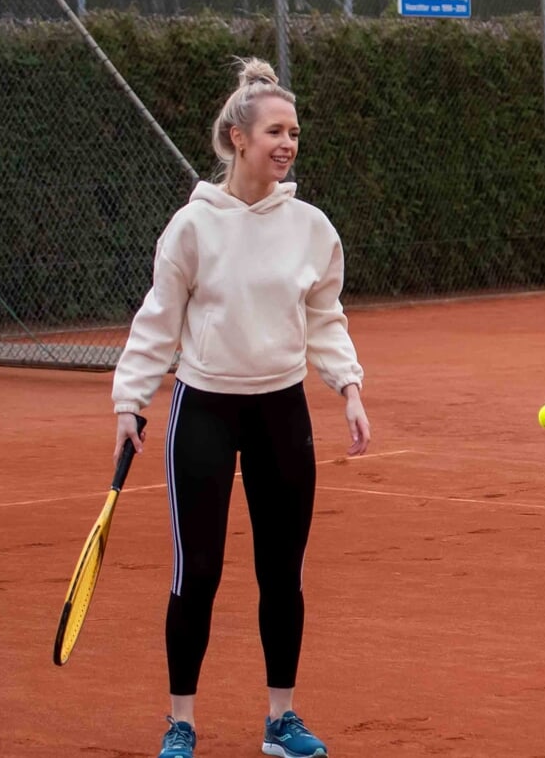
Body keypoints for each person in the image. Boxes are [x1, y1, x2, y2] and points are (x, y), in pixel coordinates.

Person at [111, 58, 371, 758]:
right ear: (237, 138)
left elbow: (325, 315)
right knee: (196, 572)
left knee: (281, 572)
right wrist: (130, 401)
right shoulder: (193, 227)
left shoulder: (312, 227)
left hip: (281, 412)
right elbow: (158, 320)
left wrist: (347, 387)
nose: (287, 145)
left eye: (294, 133)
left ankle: (281, 721)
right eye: (275, 132)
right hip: (203, 410)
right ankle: (181, 724)